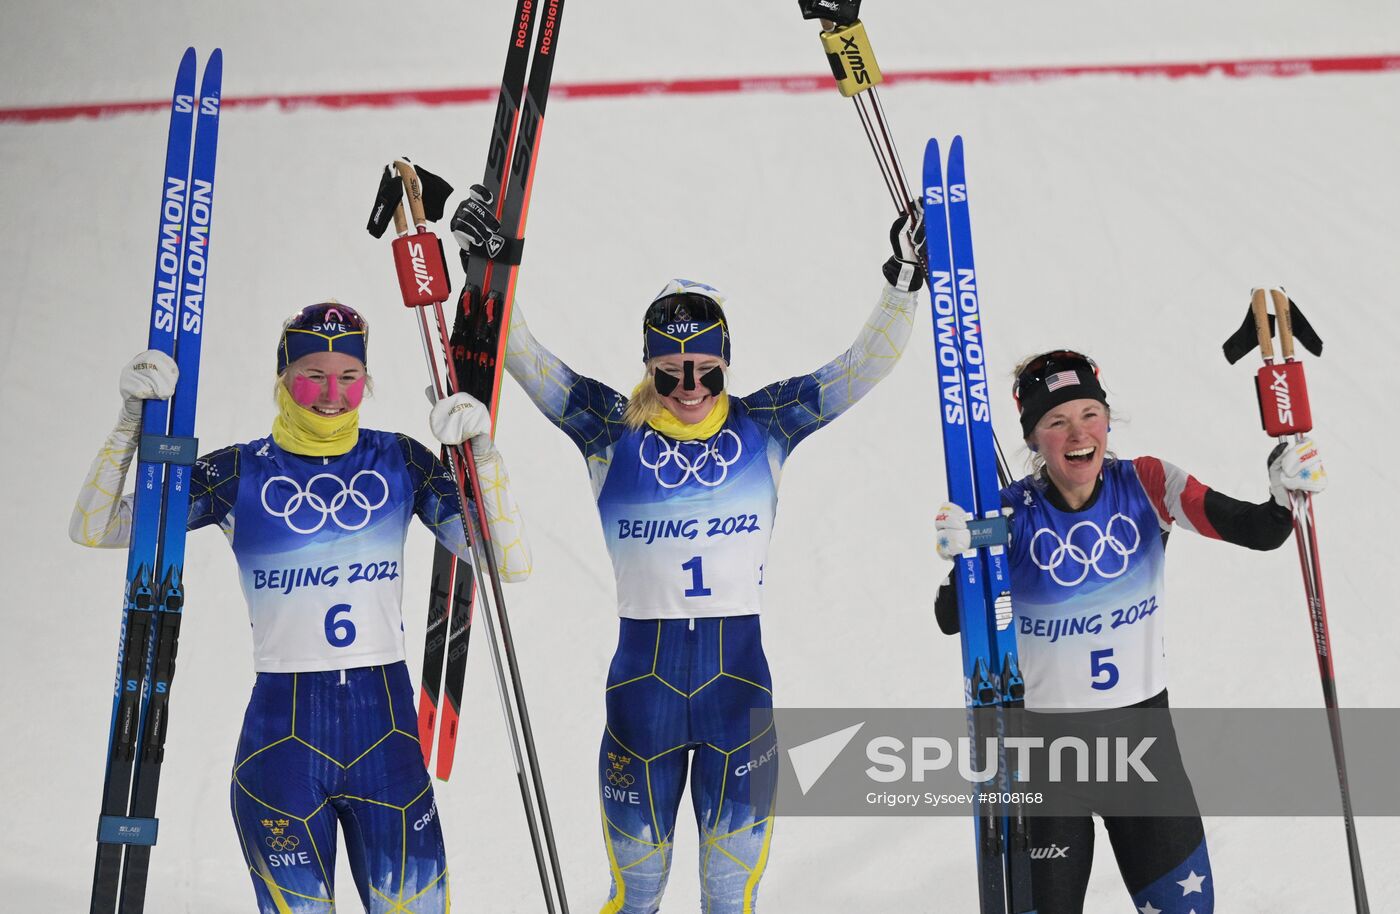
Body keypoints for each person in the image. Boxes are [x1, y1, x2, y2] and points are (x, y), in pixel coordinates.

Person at [452, 188, 924, 913]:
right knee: (634, 899)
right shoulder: (611, 429)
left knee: (729, 901)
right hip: (642, 703)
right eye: (671, 373)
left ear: (725, 360)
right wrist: (485, 271)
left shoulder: (766, 424)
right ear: (650, 367)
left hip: (741, 702)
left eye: (706, 369)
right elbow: (526, 358)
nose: (690, 387)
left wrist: (901, 280)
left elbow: (859, 368)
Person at [70, 301, 528, 913]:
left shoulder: (400, 460)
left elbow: (507, 561)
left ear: (367, 380)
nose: (331, 394)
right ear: (284, 376)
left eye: (349, 376)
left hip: (386, 738)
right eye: (314, 373)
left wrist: (483, 455)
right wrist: (130, 422)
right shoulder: (239, 473)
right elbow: (97, 526)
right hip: (281, 744)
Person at [932, 349, 1327, 914]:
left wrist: (1286, 494)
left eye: (1090, 414)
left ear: (1108, 421)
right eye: (1056, 421)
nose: (1078, 434)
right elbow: (952, 620)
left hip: (1144, 749)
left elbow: (1257, 531)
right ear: (1034, 438)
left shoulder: (1146, 483)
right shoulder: (1010, 514)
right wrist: (961, 559)